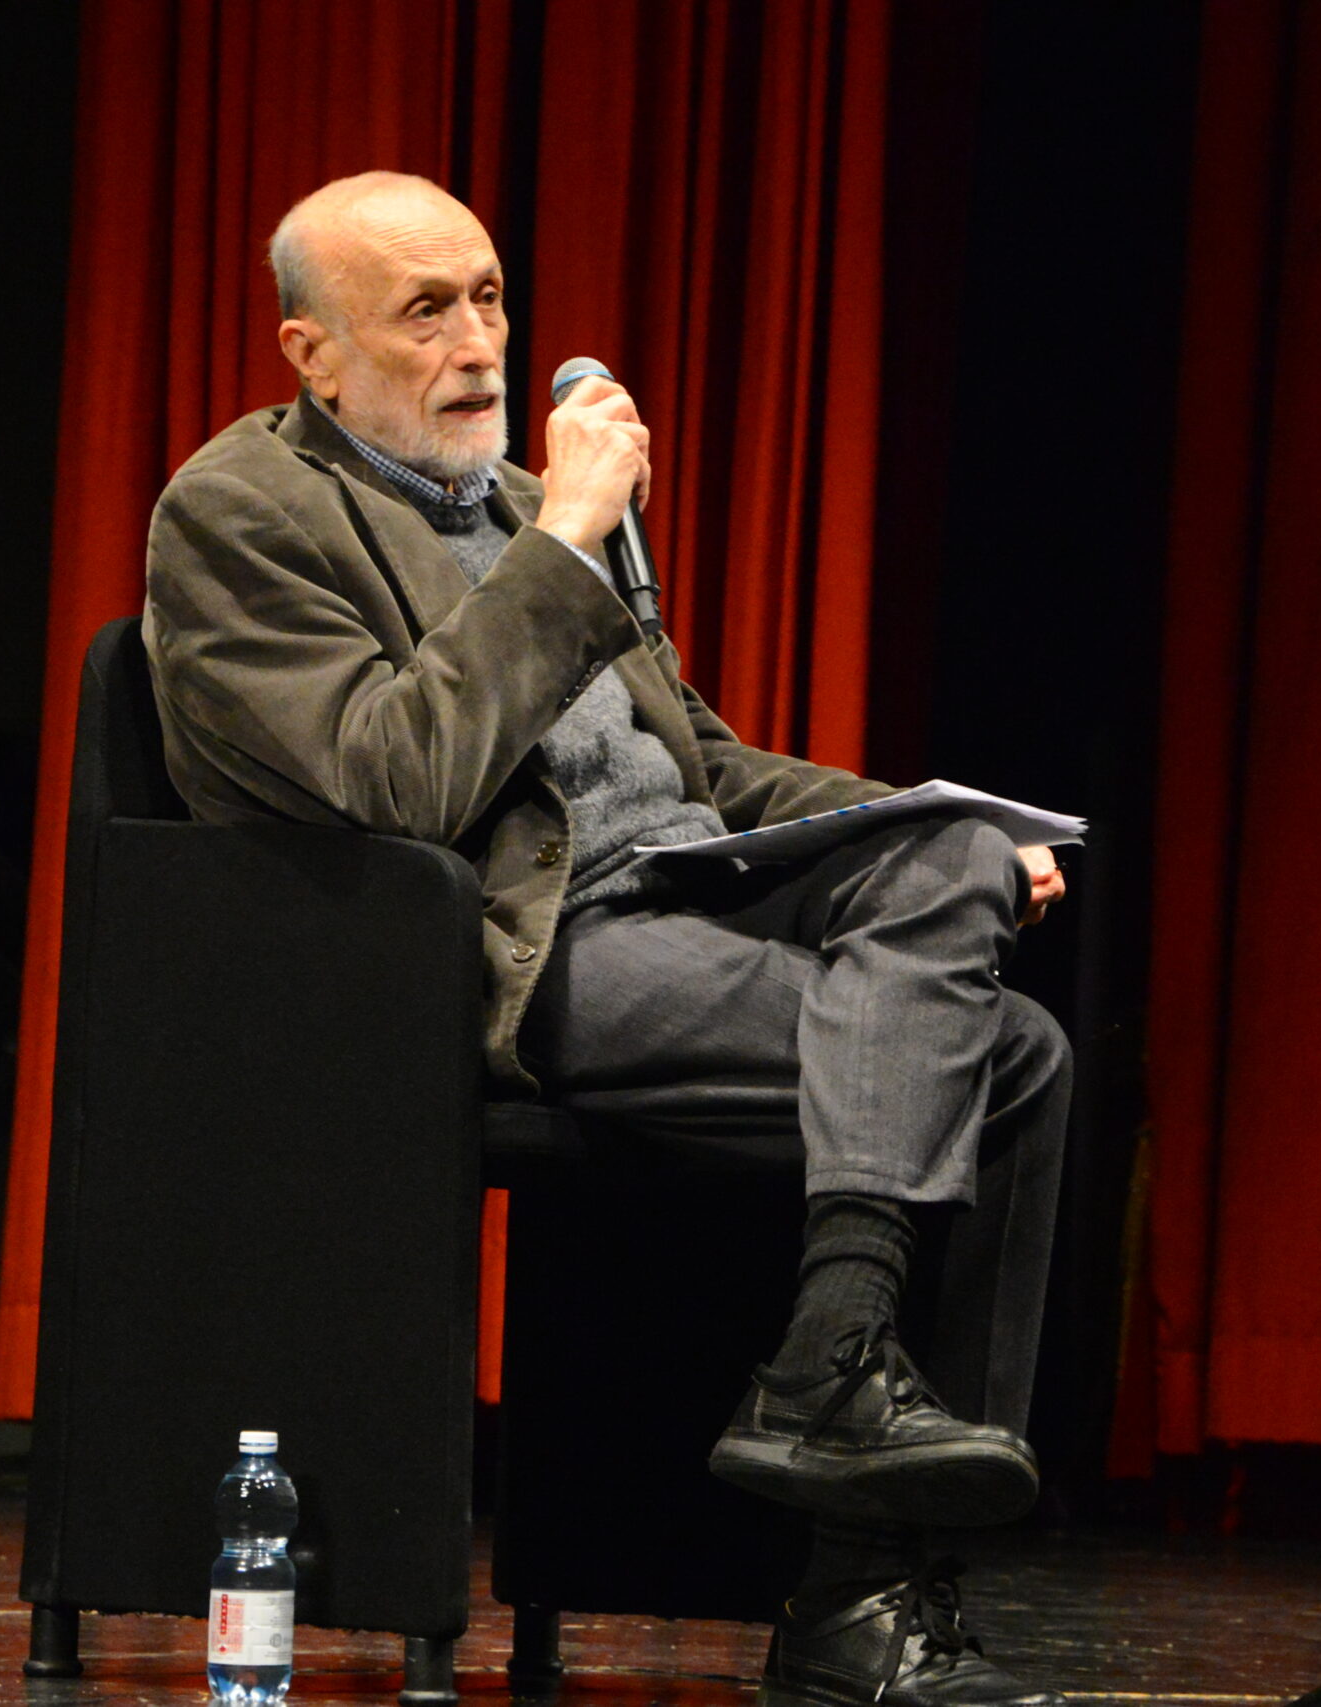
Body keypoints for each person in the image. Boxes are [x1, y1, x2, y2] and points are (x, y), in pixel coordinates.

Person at [142, 170, 1074, 1707]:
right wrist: (570, 542)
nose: (478, 342)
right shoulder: (243, 514)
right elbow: (399, 784)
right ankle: (857, 1569)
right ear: (311, 353)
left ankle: (830, 1367)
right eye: (426, 311)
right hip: (512, 946)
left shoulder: (514, 509)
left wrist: (928, 817)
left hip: (683, 892)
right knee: (1011, 1060)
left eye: (491, 297)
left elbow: (699, 768)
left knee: (957, 870)